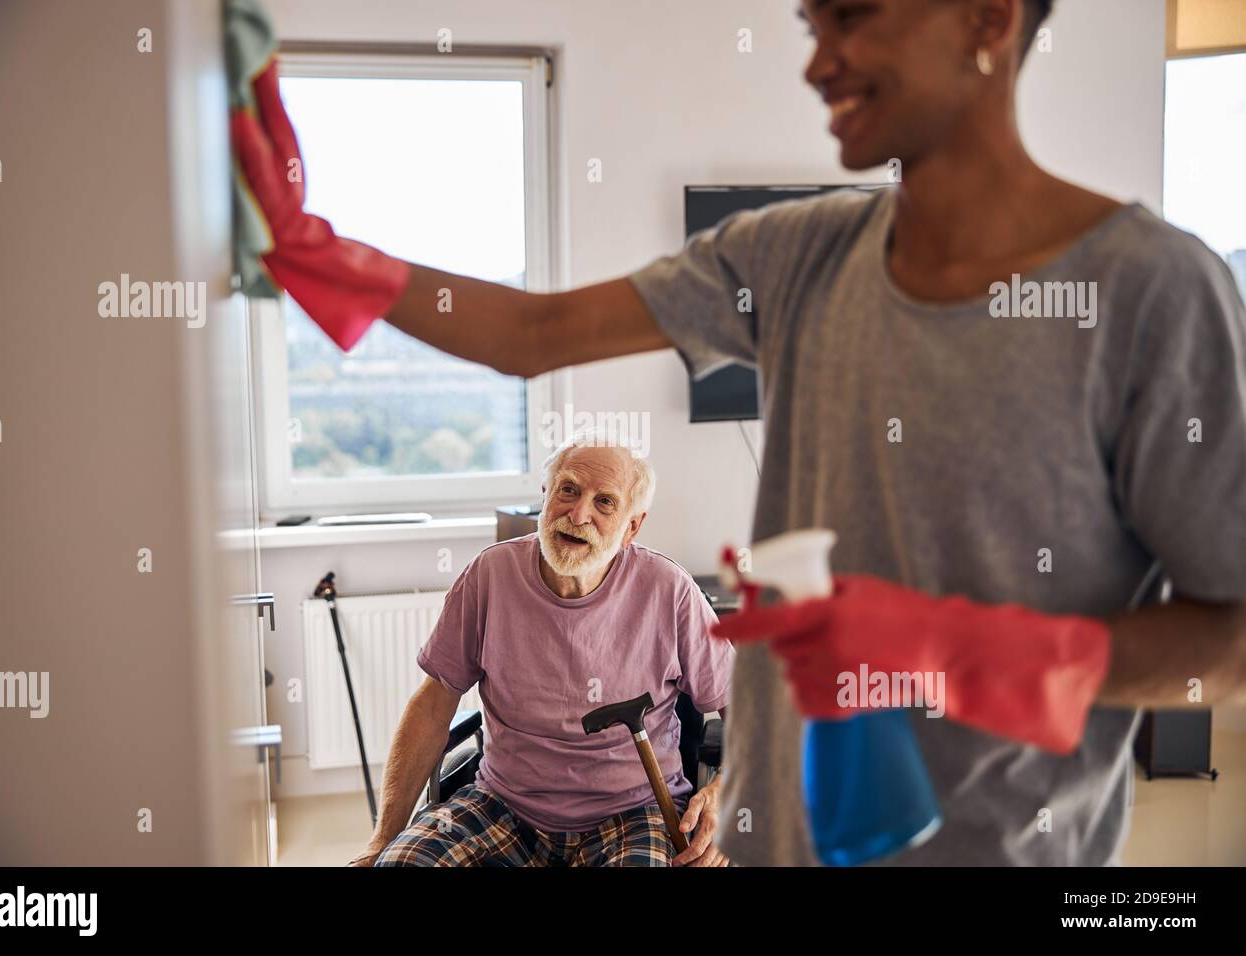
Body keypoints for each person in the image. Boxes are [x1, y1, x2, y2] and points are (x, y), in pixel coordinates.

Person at [345, 0, 1246, 865]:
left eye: (852, 15)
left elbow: (1230, 636)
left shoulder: (1153, 293)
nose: (816, 65)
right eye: (811, 26)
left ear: (989, 16)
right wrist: (313, 247)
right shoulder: (799, 252)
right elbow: (530, 334)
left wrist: (969, 654)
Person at [348, 430, 735, 866]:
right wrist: (382, 840)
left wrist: (726, 793)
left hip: (633, 811)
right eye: (568, 490)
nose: (579, 513)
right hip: (504, 805)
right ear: (546, 495)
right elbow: (434, 705)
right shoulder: (491, 575)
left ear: (632, 526)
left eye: (604, 501)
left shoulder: (670, 591)